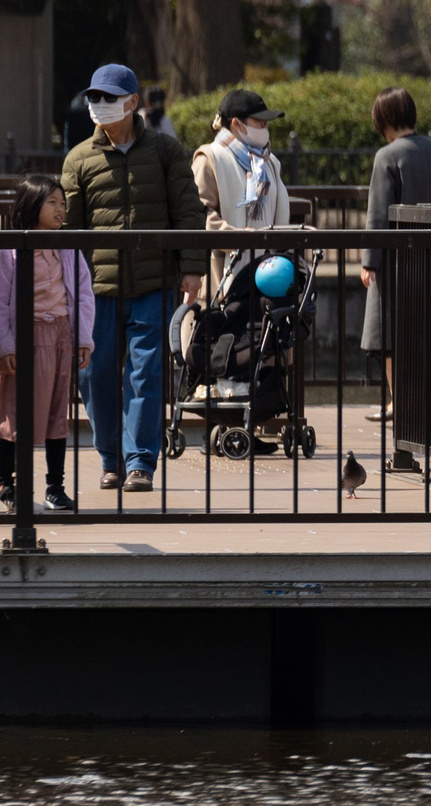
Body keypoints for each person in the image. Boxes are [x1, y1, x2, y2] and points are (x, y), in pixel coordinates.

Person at [61, 63, 206, 496]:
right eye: (94, 98)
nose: (99, 106)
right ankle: (110, 459)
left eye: (108, 98)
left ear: (132, 103)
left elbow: (187, 212)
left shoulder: (165, 150)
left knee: (146, 373)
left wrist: (192, 268)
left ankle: (140, 461)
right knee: (94, 374)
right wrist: (68, 283)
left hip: (153, 282)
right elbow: (68, 228)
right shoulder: (79, 159)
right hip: (97, 288)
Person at [359, 87, 431, 424]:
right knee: (429, 330)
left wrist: (370, 260)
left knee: (388, 334)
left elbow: (378, 214)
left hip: (397, 261)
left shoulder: (387, 156)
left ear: (382, 118)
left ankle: (400, 400)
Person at [1, 176, 95, 513]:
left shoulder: (67, 247)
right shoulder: (11, 249)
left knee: (58, 412)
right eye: (52, 202)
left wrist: (83, 337)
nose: (61, 209)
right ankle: (7, 484)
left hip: (61, 335)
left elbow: (84, 293)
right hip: (26, 334)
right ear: (32, 204)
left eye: (63, 203)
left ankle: (55, 486)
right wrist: (6, 345)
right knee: (14, 412)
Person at [194, 88, 292, 287]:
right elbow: (199, 213)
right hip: (224, 277)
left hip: (269, 273)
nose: (265, 126)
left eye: (267, 122)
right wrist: (235, 238)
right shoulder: (210, 157)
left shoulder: (269, 161)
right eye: (259, 121)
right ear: (236, 124)